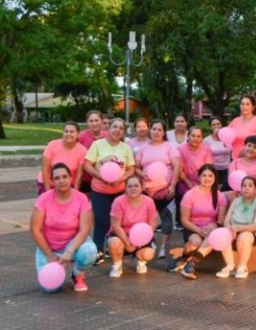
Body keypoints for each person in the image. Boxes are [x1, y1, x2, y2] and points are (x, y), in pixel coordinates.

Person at [30, 163, 98, 292]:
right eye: (57, 178)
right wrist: (49, 255)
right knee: (50, 289)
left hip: (73, 245)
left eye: (64, 176)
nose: (61, 181)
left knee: (89, 252)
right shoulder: (43, 199)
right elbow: (35, 229)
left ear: (71, 178)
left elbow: (85, 229)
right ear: (52, 181)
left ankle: (77, 275)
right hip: (49, 248)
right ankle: (56, 270)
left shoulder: (81, 198)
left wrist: (69, 251)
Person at [83, 118, 136, 264]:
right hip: (100, 189)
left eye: (120, 128)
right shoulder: (98, 144)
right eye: (115, 127)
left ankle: (116, 248)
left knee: (118, 222)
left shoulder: (126, 148)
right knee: (101, 221)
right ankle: (98, 251)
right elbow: (87, 164)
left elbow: (131, 168)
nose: (117, 130)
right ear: (109, 128)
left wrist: (123, 178)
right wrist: (100, 176)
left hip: (118, 191)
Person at [135, 119, 180, 258]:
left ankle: (163, 247)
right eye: (154, 129)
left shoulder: (169, 147)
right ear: (150, 129)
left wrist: (172, 185)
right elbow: (136, 167)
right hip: (147, 190)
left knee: (166, 217)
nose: (156, 132)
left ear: (164, 132)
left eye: (160, 129)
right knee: (146, 218)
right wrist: (143, 175)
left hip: (165, 189)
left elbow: (177, 166)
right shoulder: (143, 148)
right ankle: (151, 242)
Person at [178, 164, 228, 279]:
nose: (207, 178)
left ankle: (190, 264)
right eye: (204, 175)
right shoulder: (190, 194)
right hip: (193, 228)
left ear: (215, 178)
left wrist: (214, 225)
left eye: (210, 176)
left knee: (213, 237)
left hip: (211, 229)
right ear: (199, 178)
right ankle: (184, 255)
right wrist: (199, 231)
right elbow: (184, 220)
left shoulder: (220, 196)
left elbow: (220, 220)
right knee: (195, 243)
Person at [106, 175, 160, 278]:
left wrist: (140, 241)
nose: (133, 188)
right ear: (125, 188)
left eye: (136, 185)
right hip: (122, 234)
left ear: (142, 188)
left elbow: (153, 223)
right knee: (114, 243)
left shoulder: (149, 201)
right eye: (130, 186)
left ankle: (141, 262)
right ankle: (117, 266)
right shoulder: (118, 201)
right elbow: (115, 225)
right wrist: (127, 242)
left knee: (148, 254)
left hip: (142, 235)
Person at [217, 176, 256, 279]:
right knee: (223, 233)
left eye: (250, 186)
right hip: (236, 231)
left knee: (245, 236)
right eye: (244, 186)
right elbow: (226, 220)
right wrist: (230, 229)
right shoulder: (236, 201)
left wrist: (238, 228)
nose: (246, 188)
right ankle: (229, 265)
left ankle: (242, 267)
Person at [177, 126, 214, 226]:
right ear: (188, 136)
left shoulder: (206, 149)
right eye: (193, 135)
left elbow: (209, 169)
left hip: (204, 181)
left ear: (202, 138)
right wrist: (189, 184)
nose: (195, 138)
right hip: (185, 182)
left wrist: (201, 184)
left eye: (198, 136)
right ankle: (186, 223)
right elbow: (180, 171)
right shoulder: (181, 149)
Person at [38, 122, 87, 195]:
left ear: (78, 134)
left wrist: (75, 194)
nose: (68, 134)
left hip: (68, 185)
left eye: (72, 132)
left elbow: (79, 176)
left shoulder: (82, 150)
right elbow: (45, 170)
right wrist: (47, 192)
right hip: (49, 183)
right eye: (66, 131)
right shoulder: (52, 145)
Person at [229, 94, 256, 160]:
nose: (244, 106)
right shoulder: (235, 121)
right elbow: (227, 137)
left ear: (253, 107)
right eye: (242, 104)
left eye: (247, 104)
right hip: (237, 160)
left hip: (255, 160)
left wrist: (247, 150)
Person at [78, 110, 108, 193]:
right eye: (91, 121)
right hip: (85, 178)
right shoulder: (81, 136)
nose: (94, 123)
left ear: (102, 121)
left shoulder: (108, 135)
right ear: (86, 122)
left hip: (103, 179)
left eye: (96, 120)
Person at [204, 117, 232, 189]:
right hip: (213, 169)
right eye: (213, 125)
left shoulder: (227, 137)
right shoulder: (206, 140)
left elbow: (232, 150)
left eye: (218, 124)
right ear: (210, 127)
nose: (216, 126)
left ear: (221, 125)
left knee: (225, 189)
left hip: (227, 169)